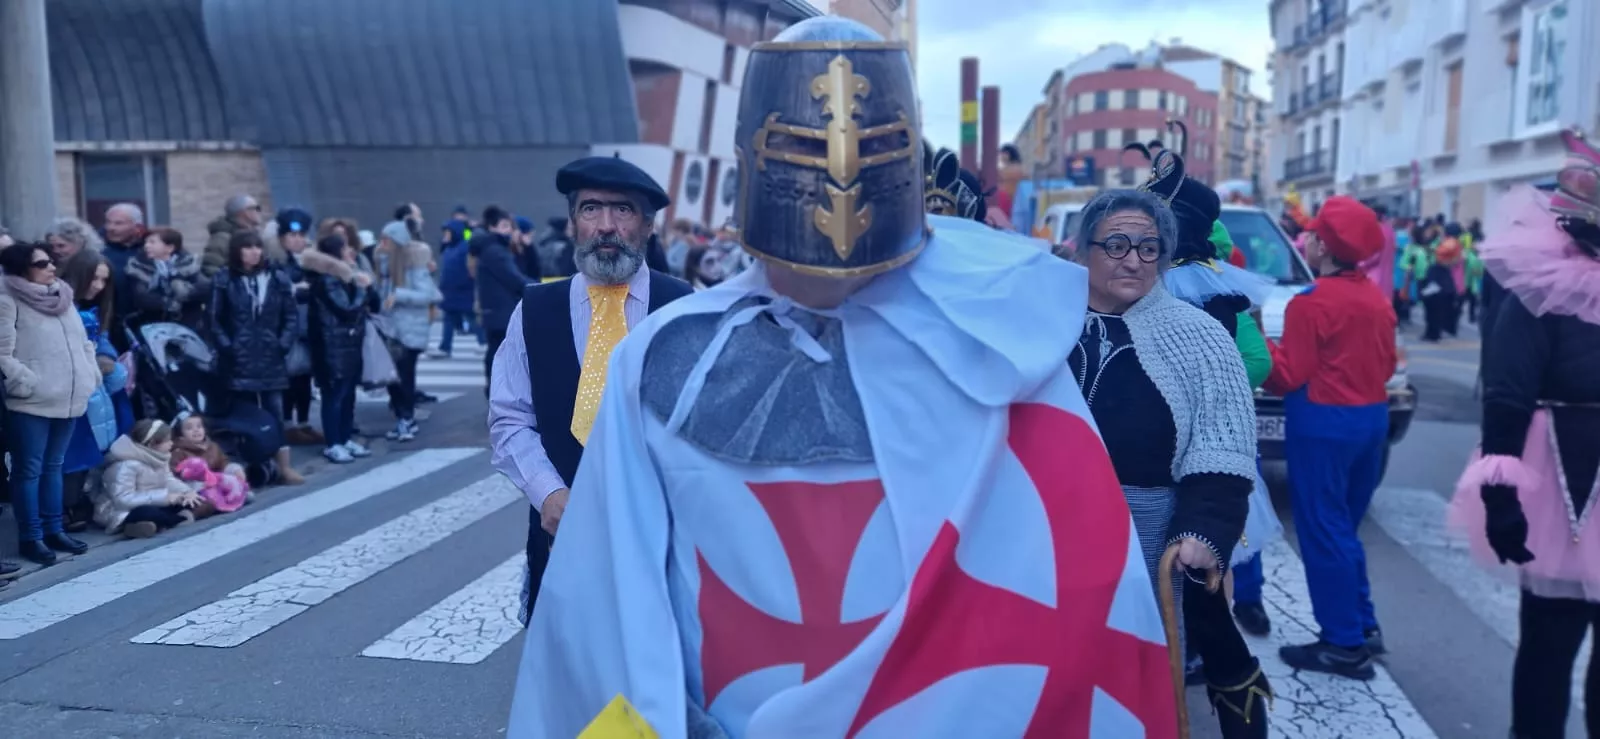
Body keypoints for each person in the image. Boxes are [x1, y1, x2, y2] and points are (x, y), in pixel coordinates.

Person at [508, 18, 1175, 737]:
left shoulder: (1002, 343)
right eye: (801, 149)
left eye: (871, 150)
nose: (839, 176)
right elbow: (608, 602)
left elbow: (1075, 589)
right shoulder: (665, 356)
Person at [1069, 153, 1269, 736]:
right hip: (1055, 529)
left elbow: (1222, 451)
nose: (1133, 259)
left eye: (1148, 247)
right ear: (1085, 250)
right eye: (1116, 245)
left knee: (1142, 672)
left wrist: (1203, 530)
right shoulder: (1045, 323)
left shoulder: (1199, 337)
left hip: (1149, 532)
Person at [488, 155, 693, 628]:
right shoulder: (535, 310)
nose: (605, 226)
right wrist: (549, 493)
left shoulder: (684, 309)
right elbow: (509, 417)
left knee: (657, 660)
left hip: (662, 541)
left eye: (622, 209)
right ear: (572, 223)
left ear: (647, 225)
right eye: (590, 208)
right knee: (568, 660)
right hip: (561, 539)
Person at [1448, 128, 1600, 739]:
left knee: (1553, 648)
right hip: (1563, 489)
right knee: (1549, 645)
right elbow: (1508, 397)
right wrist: (1500, 498)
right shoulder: (1543, 286)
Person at [1264, 196, 1398, 680]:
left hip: (1323, 422)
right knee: (1344, 527)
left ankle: (1343, 644)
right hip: (1371, 420)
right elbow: (1387, 366)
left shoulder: (1310, 303)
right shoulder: (1377, 299)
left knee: (1324, 530)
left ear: (1322, 246)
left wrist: (1256, 340)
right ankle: (1362, 624)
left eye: (1312, 235)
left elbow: (1286, 376)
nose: (1306, 242)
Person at [0, 242, 101, 565]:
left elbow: (83, 343)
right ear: (22, 269)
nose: (51, 268)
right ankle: (31, 537)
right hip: (31, 401)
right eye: (42, 264)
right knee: (28, 469)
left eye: (52, 262)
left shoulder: (63, 296)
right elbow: (2, 353)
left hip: (69, 396)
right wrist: (26, 381)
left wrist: (90, 374)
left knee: (54, 465)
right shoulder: (7, 299)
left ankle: (54, 529)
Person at [207, 231, 305, 484]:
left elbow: (291, 316)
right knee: (245, 413)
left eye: (258, 247)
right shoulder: (224, 279)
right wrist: (228, 347)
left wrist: (282, 344)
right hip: (238, 357)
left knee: (275, 410)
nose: (254, 252)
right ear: (237, 251)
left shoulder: (277, 277)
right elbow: (214, 319)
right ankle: (251, 465)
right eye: (248, 247)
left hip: (271, 355)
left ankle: (284, 466)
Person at [306, 233, 374, 463]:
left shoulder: (345, 276)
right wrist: (362, 289)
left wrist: (362, 285)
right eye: (345, 248)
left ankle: (345, 439)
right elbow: (346, 309)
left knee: (347, 395)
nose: (350, 252)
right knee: (334, 395)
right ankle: (333, 442)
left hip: (347, 344)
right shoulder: (328, 280)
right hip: (331, 346)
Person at [373, 221, 442, 442]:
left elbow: (428, 294)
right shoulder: (382, 264)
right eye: (381, 239)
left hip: (409, 330)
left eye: (387, 240)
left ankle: (407, 418)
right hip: (389, 329)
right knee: (392, 378)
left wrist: (400, 295)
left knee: (405, 377)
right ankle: (402, 417)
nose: (382, 244)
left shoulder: (414, 265)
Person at [95, 419, 211, 538]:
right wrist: (166, 498)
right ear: (152, 444)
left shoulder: (158, 456)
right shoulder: (125, 465)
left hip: (154, 501)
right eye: (167, 441)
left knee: (193, 500)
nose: (171, 443)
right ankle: (172, 520)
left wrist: (186, 492)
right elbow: (123, 500)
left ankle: (151, 525)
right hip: (119, 511)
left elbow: (168, 480)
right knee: (149, 512)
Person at [272, 208, 326, 446]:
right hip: (287, 328)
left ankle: (303, 423)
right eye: (292, 236)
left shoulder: (310, 260)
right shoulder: (276, 262)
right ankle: (287, 424)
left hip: (308, 327)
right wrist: (295, 290)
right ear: (282, 238)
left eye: (301, 235)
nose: (297, 240)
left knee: (305, 378)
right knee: (289, 379)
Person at [472, 206, 529, 390]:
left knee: (496, 351)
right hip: (501, 311)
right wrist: (539, 289)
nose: (509, 230)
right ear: (492, 227)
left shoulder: (492, 249)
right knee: (500, 353)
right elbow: (514, 279)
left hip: (496, 310)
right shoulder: (495, 251)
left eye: (509, 226)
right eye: (504, 226)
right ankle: (495, 390)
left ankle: (494, 388)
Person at [126, 227, 208, 330]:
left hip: (188, 323)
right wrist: (168, 303)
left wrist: (183, 291)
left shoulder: (188, 265)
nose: (146, 246)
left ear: (169, 248)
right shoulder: (138, 267)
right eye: (146, 242)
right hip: (153, 324)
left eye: (152, 242)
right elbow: (141, 297)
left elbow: (204, 289)